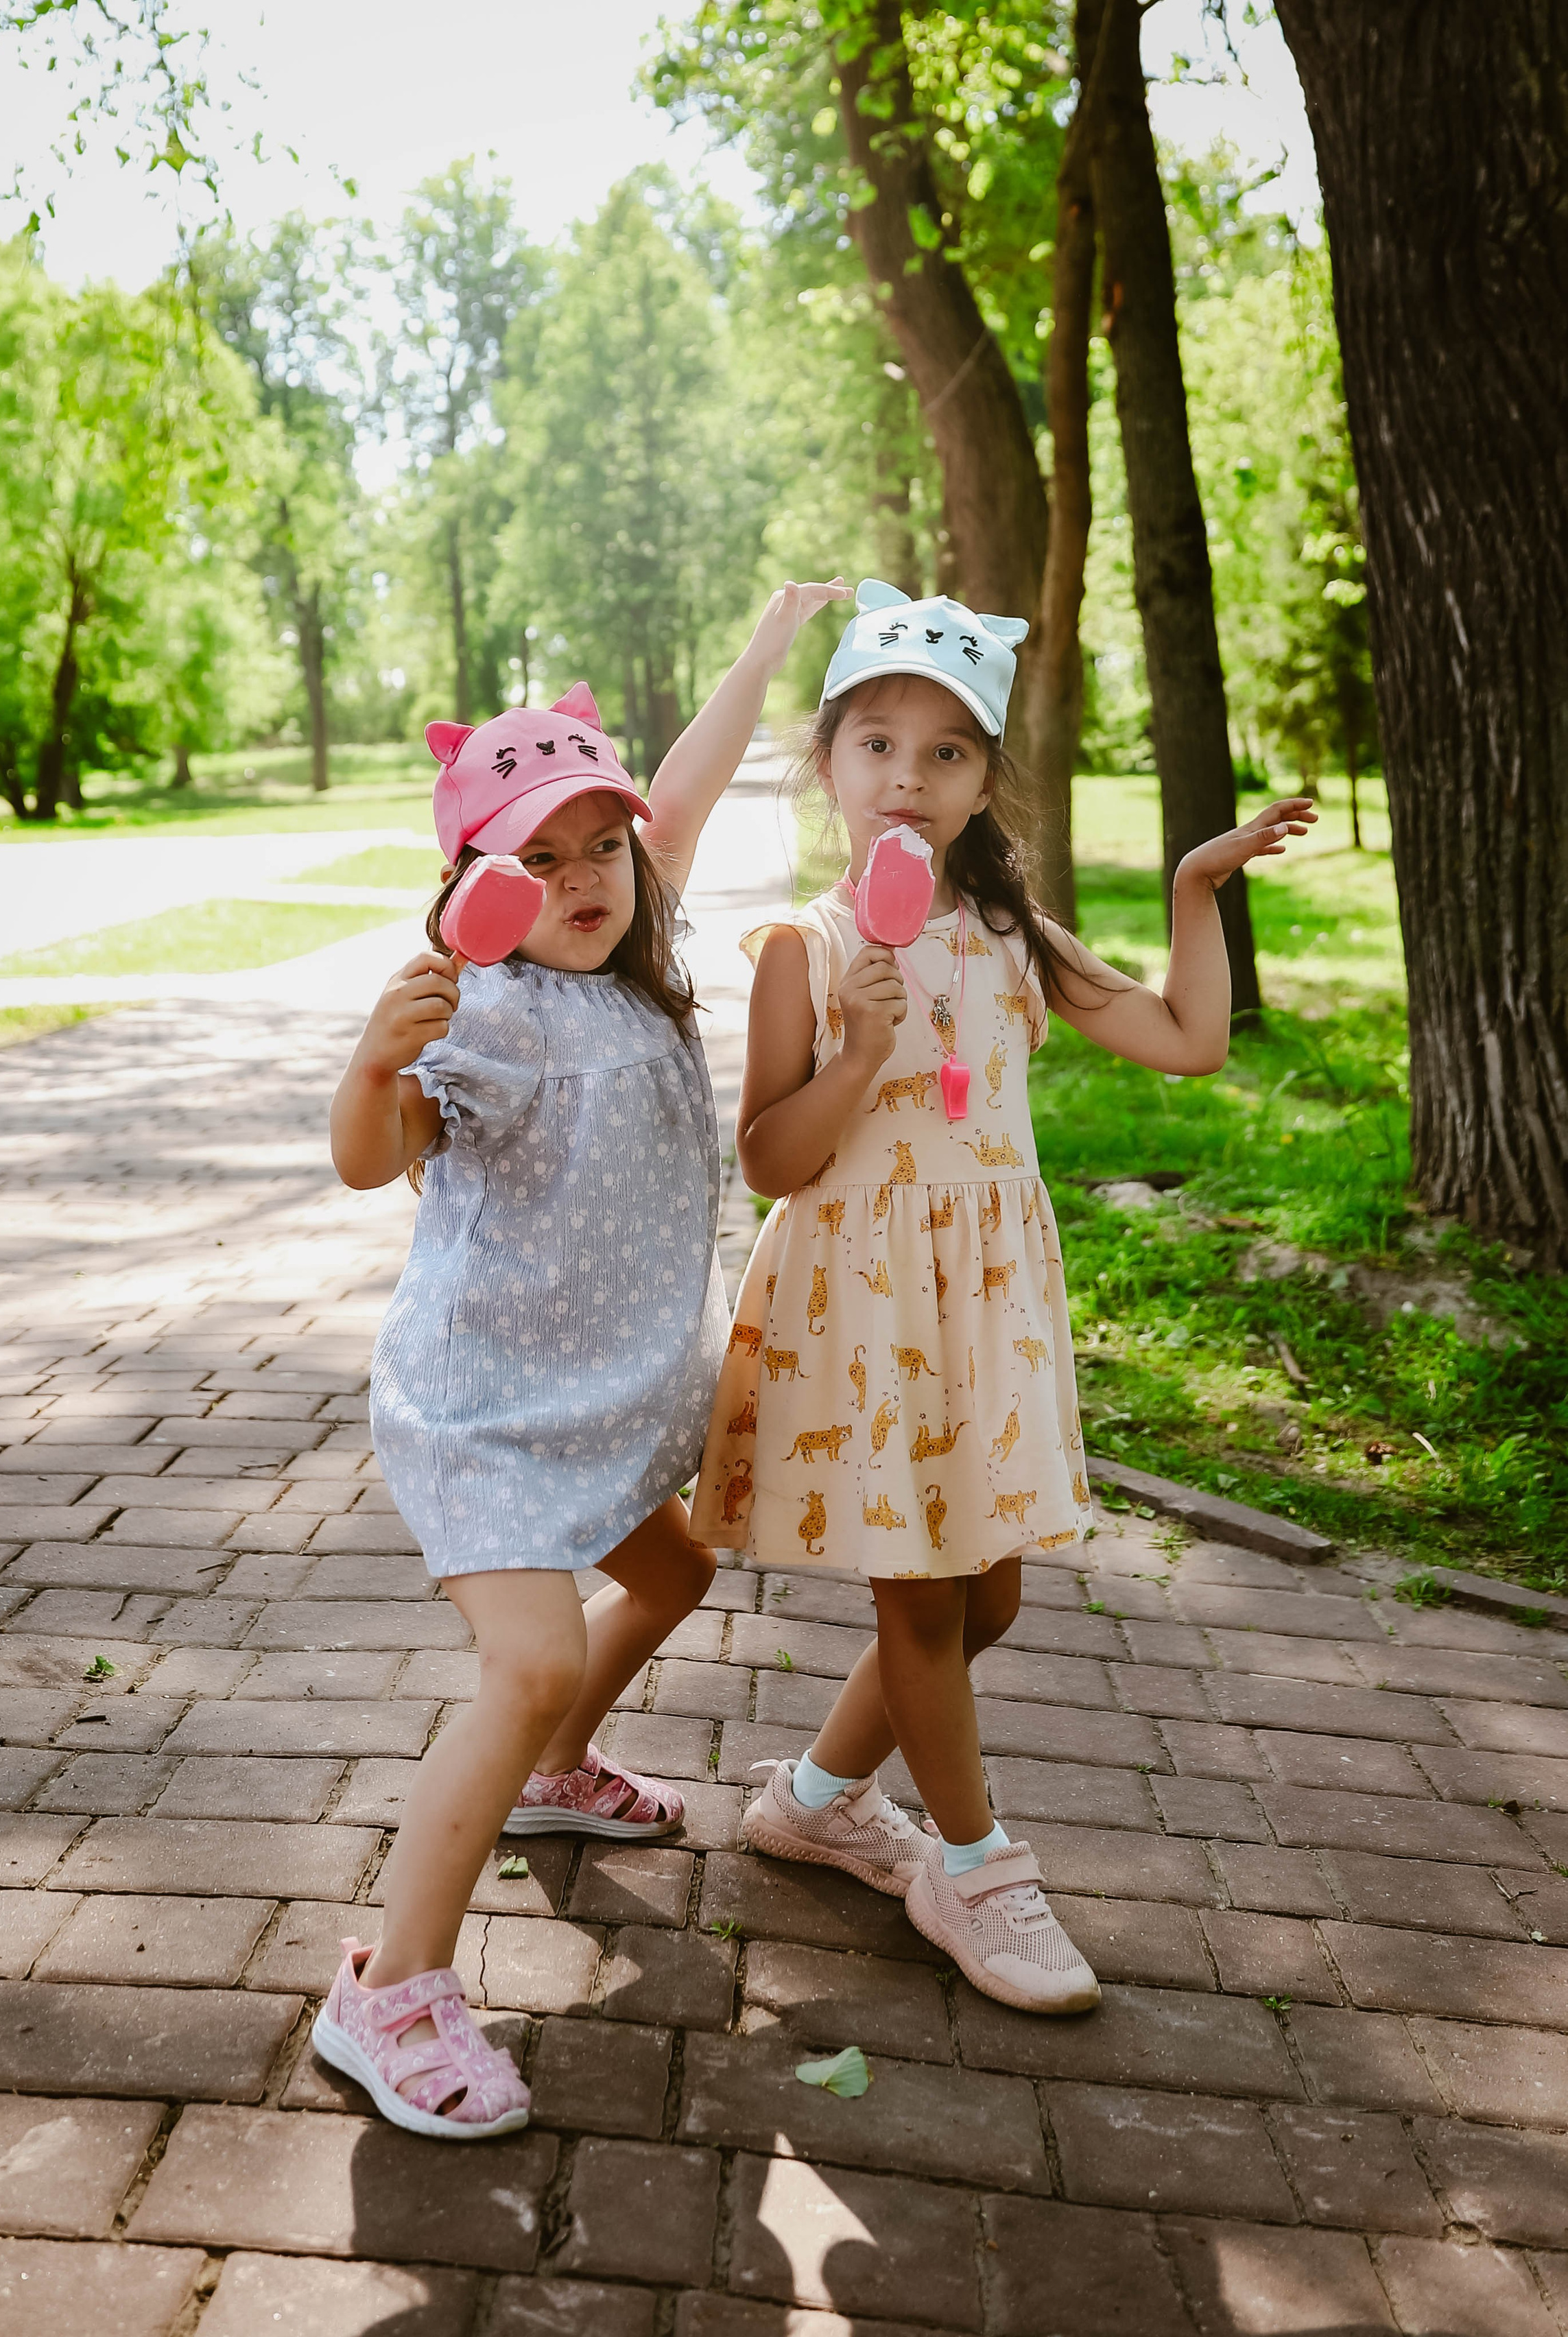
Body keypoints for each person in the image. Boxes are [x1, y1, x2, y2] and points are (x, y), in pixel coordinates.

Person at [692, 579, 1313, 2016]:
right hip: (866, 1316)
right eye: (875, 744)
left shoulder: (1007, 932)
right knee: (918, 1605)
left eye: (945, 751)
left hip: (982, 1305)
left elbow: (1186, 1041)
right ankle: (972, 1872)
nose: (906, 777)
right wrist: (852, 1056)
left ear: (982, 780)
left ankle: (814, 1798)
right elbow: (770, 1160)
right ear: (829, 763)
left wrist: (1193, 892)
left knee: (987, 1603)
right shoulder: (808, 947)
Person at [314, 579, 851, 2139]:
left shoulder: (627, 959)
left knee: (675, 1579)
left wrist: (757, 649)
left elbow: (675, 786)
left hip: (610, 1400)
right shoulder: (478, 1012)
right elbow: (369, 1159)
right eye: (534, 858)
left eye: (596, 846)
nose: (579, 875)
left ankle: (556, 1773)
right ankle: (391, 1985)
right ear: (477, 885)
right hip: (484, 1407)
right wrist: (372, 1059)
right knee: (533, 1651)